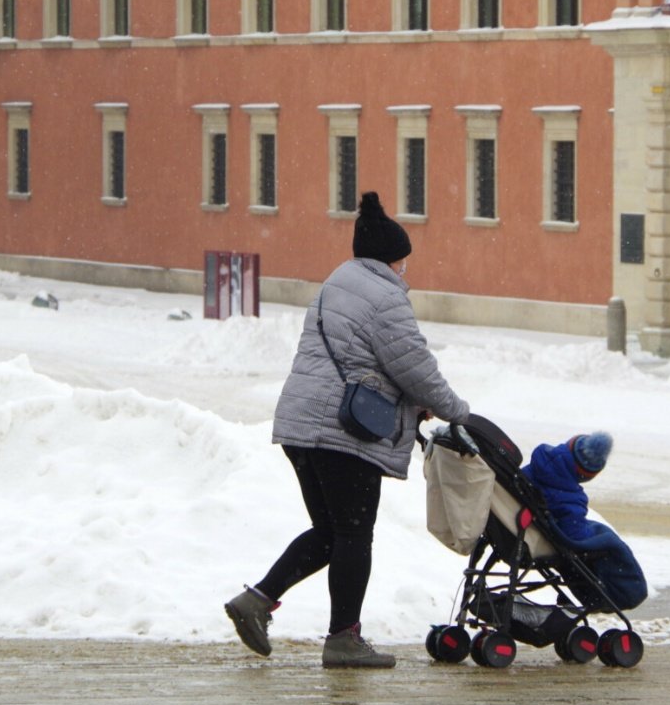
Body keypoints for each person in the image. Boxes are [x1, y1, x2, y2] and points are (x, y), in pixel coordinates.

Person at [225, 191, 471, 669]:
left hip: (301, 425)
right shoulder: (385, 298)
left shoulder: (336, 283)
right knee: (355, 536)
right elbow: (413, 366)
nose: (406, 270)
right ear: (391, 259)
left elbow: (367, 359)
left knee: (331, 531)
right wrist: (457, 411)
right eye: (404, 261)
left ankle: (256, 601)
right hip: (343, 433)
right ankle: (343, 639)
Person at [520, 431, 648, 610]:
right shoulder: (570, 498)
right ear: (586, 475)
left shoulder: (537, 466)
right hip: (542, 539)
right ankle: (623, 592)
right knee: (608, 540)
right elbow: (576, 537)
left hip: (522, 526)